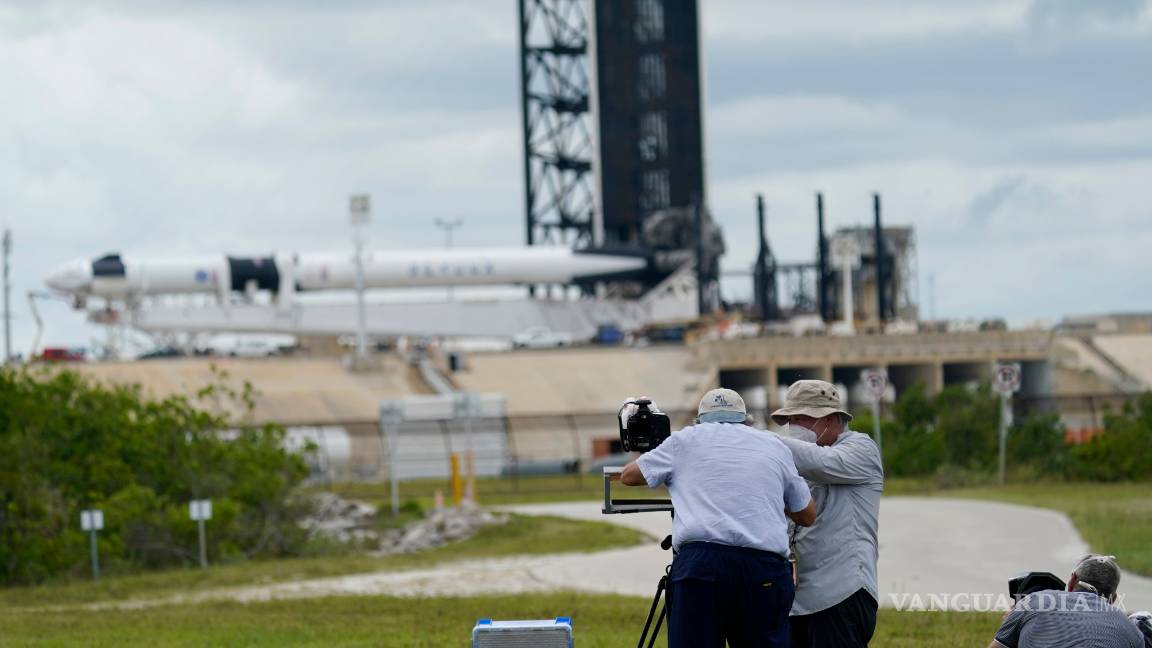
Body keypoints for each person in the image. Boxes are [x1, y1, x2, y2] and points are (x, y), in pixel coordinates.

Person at [620, 388, 817, 648]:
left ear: (700, 420)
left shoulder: (684, 440)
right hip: (761, 568)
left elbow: (629, 476)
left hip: (700, 566)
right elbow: (807, 514)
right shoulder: (774, 446)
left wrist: (659, 460)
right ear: (746, 419)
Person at [770, 379, 884, 648]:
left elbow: (818, 462)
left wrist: (754, 438)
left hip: (842, 594)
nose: (793, 426)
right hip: (796, 603)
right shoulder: (794, 460)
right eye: (789, 419)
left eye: (802, 418)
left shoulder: (861, 449)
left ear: (831, 420)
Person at [990, 554, 1144, 648]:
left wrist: (1011, 628)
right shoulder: (1133, 631)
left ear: (1072, 580)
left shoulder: (1033, 601)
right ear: (1114, 598)